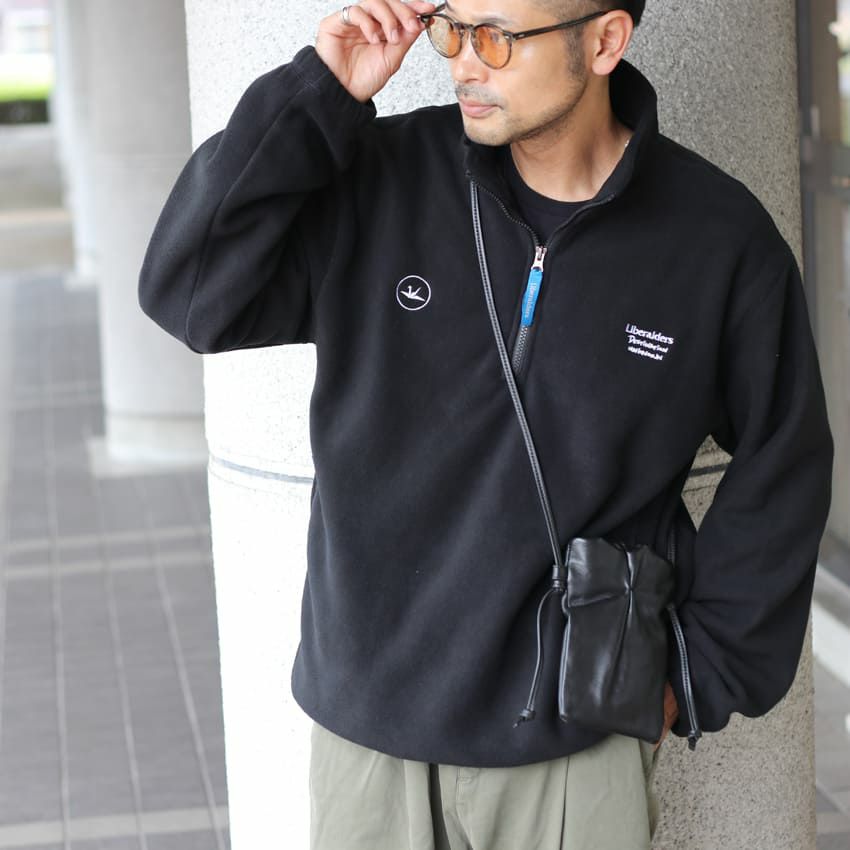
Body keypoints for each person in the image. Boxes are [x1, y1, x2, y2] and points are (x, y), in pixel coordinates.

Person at [137, 0, 834, 847]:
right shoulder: (381, 177)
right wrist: (315, 97)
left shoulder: (715, 238)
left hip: (572, 748)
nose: (464, 62)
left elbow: (785, 462)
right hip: (369, 733)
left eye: (497, 37)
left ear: (604, 41)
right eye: (452, 28)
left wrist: (695, 674)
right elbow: (191, 295)